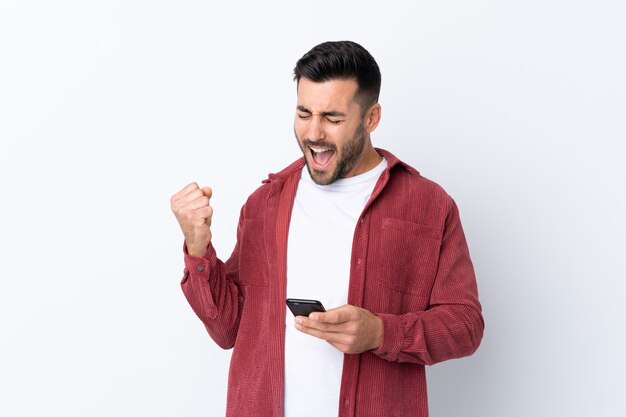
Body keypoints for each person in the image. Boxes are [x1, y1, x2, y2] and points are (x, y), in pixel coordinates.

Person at [171, 40, 484, 417]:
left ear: (372, 118)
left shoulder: (429, 206)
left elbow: (465, 326)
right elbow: (228, 329)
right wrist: (197, 247)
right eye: (304, 113)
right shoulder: (264, 204)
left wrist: (381, 333)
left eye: (333, 118)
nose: (314, 132)